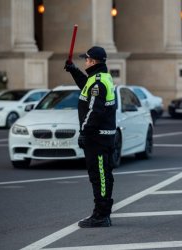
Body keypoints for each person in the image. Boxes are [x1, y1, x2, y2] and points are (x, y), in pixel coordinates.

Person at [64, 46, 116, 228]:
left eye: (85, 59)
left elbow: (95, 111)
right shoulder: (98, 79)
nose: (84, 62)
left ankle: (101, 215)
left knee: (100, 176)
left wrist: (84, 132)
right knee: (103, 176)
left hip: (98, 138)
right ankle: (101, 212)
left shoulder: (97, 83)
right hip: (103, 137)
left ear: (93, 61)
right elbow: (84, 85)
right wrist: (74, 71)